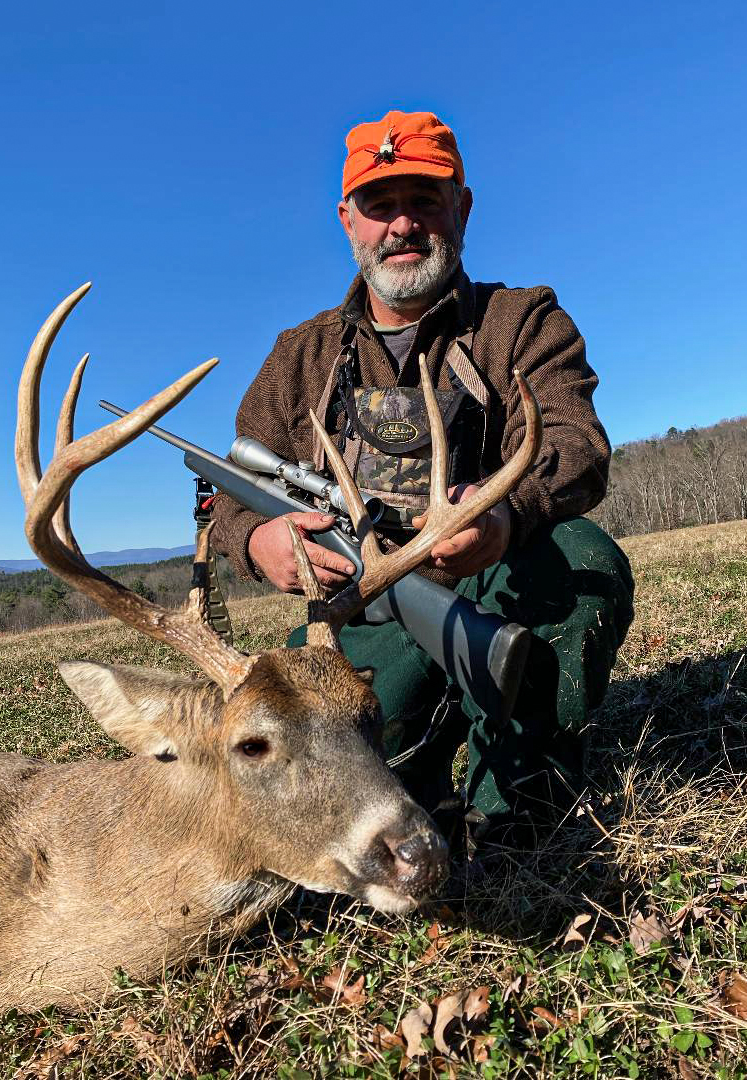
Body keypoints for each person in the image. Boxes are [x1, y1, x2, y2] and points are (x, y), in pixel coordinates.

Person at [210, 109, 634, 844]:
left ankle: (518, 804)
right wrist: (258, 542)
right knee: (353, 778)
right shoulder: (299, 357)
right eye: (380, 205)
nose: (402, 225)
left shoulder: (520, 320)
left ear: (461, 207)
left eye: (424, 200)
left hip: (497, 582)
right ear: (348, 220)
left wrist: (504, 512)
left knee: (584, 563)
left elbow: (576, 442)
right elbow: (225, 500)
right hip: (364, 613)